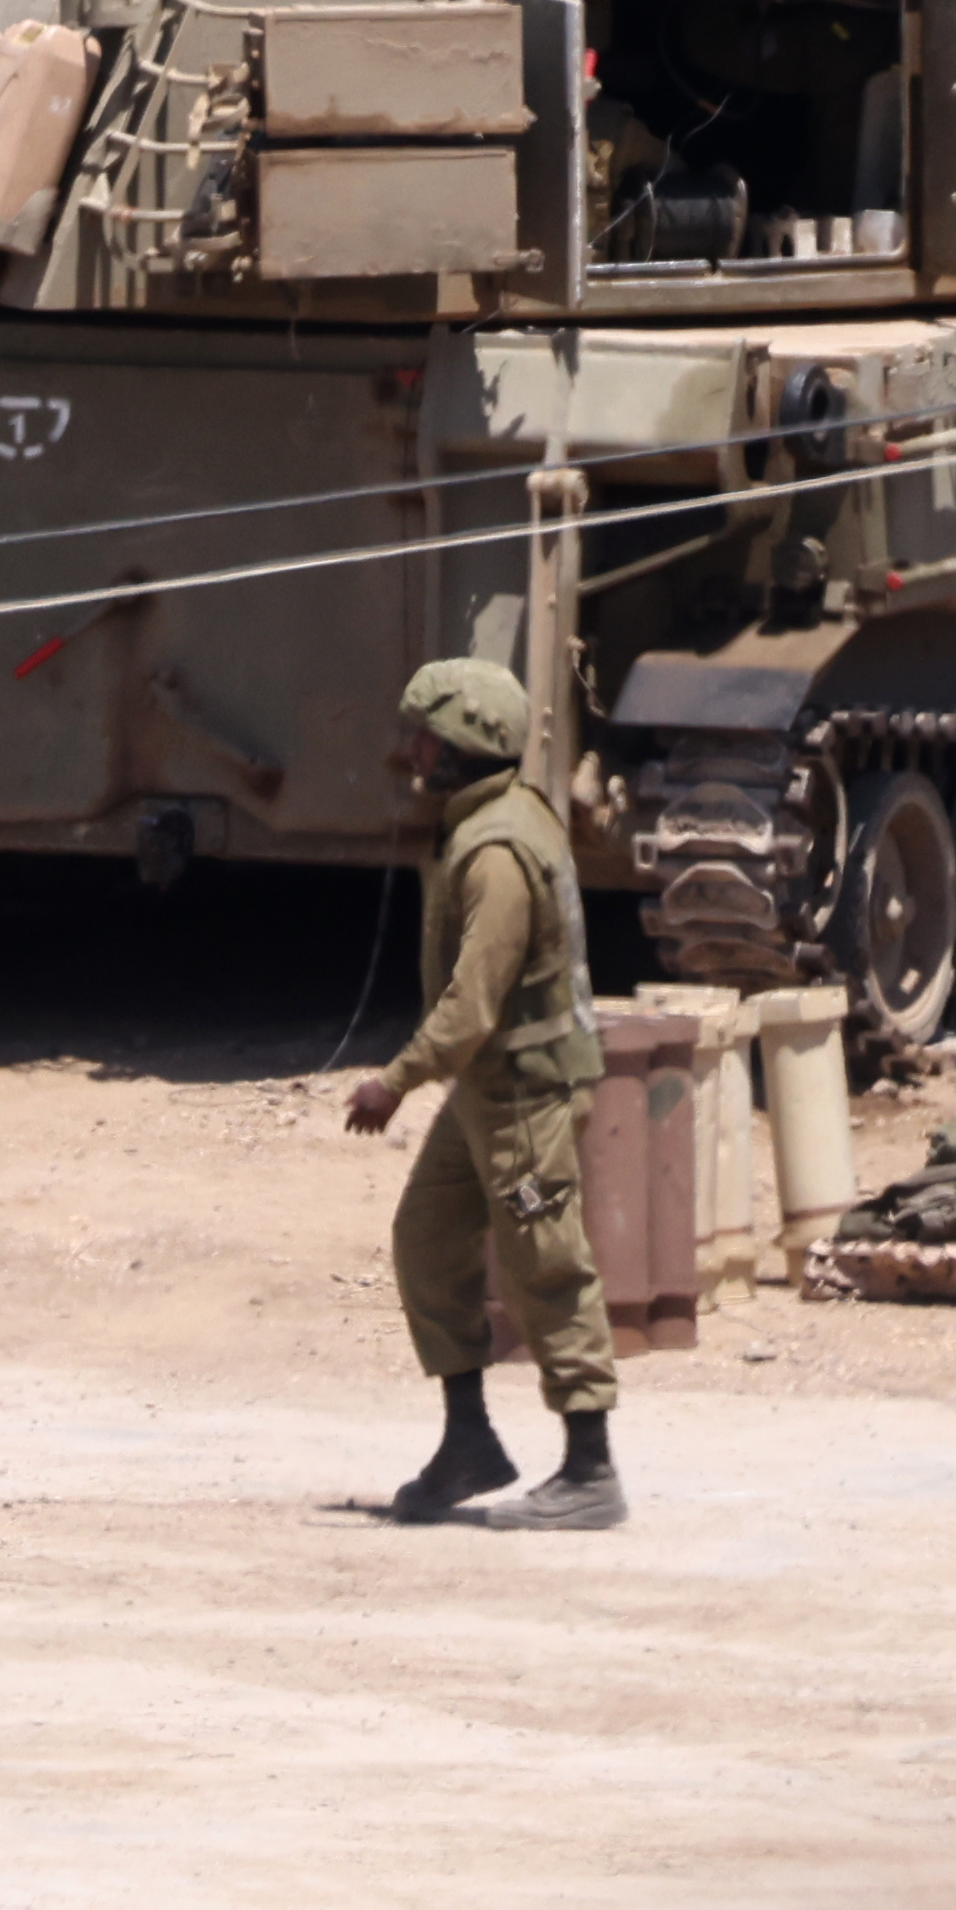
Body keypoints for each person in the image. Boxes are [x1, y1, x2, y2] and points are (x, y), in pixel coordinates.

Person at [346, 653, 624, 1531]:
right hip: (487, 1096)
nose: (416, 754)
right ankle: (469, 1440)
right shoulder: (483, 821)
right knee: (427, 1238)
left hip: (526, 1096)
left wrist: (392, 1082)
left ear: (471, 744)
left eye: (429, 738)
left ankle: (590, 1468)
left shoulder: (498, 848)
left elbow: (471, 1006)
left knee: (547, 1268)